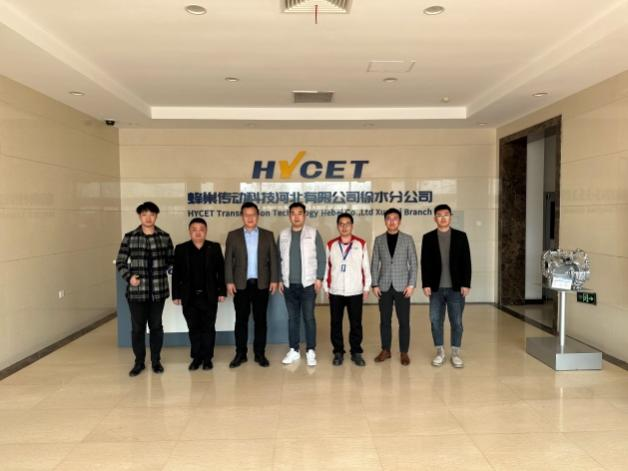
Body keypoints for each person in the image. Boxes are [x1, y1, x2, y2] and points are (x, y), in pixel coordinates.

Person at [116, 201, 174, 377]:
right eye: (144, 215)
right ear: (139, 216)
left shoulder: (164, 237)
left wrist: (172, 269)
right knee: (138, 328)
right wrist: (129, 277)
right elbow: (120, 262)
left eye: (152, 214)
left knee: (156, 327)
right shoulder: (130, 237)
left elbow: (171, 261)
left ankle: (156, 361)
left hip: (158, 291)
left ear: (156, 216)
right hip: (137, 292)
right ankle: (139, 362)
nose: (148, 218)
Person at [224, 202, 279, 368]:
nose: (250, 218)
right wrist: (229, 281)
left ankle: (259, 354)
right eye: (246, 215)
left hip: (261, 284)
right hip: (240, 285)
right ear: (242, 216)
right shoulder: (233, 235)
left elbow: (274, 259)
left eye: (253, 214)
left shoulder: (267, 235)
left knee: (260, 320)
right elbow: (228, 260)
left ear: (258, 216)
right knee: (241, 320)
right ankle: (240, 354)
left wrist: (274, 280)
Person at [420, 204, 472, 368]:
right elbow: (425, 263)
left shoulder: (460, 236)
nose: (443, 218)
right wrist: (425, 284)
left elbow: (466, 262)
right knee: (436, 321)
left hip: (456, 289)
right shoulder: (428, 237)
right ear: (434, 218)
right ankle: (440, 352)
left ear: (450, 217)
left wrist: (466, 284)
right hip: (435, 289)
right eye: (439, 215)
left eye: (446, 214)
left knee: (456, 322)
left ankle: (455, 353)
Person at [172, 218, 226, 371]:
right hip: (189, 296)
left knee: (208, 328)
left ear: (206, 231)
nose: (198, 232)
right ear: (189, 231)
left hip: (209, 296)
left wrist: (221, 291)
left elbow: (221, 271)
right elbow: (176, 274)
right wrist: (176, 295)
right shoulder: (181, 249)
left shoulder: (214, 247)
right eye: (194, 229)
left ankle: (207, 358)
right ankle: (196, 358)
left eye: (201, 229)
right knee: (193, 328)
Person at [277, 203, 326, 367]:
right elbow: (278, 259)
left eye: (299, 213)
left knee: (309, 318)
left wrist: (319, 278)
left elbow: (321, 257)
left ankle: (311, 350)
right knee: (293, 319)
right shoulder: (283, 235)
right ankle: (294, 350)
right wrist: (279, 279)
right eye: (293, 213)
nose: (296, 217)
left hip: (308, 285)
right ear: (289, 216)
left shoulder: (313, 233)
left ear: (305, 215)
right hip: (289, 285)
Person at [371, 208, 418, 366]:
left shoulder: (407, 239)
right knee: (385, 321)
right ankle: (386, 350)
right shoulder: (379, 240)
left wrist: (411, 284)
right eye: (389, 218)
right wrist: (375, 284)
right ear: (385, 221)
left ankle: (404, 352)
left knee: (404, 321)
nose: (392, 221)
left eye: (395, 218)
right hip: (383, 286)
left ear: (400, 221)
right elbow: (374, 263)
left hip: (403, 286)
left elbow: (414, 263)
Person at [323, 213, 371, 366]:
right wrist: (326, 287)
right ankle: (338, 352)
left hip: (355, 291)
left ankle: (356, 352)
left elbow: (366, 267)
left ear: (352, 226)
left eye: (347, 224)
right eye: (341, 224)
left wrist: (366, 287)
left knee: (356, 324)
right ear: (338, 226)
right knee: (335, 323)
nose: (344, 227)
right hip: (336, 290)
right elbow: (326, 267)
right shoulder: (331, 244)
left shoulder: (360, 243)